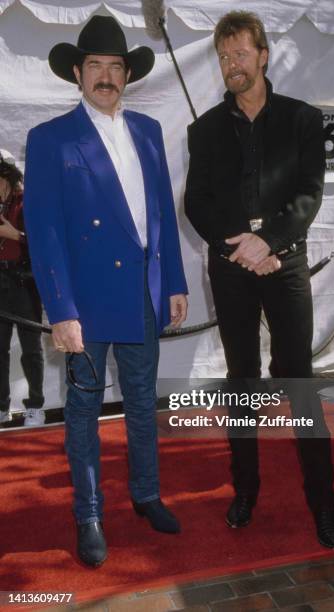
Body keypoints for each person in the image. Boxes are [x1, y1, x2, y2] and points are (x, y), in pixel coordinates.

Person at [24, 15, 188, 567]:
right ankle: (89, 512)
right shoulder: (49, 139)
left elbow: (162, 211)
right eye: (95, 65)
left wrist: (175, 284)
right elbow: (44, 234)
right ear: (77, 72)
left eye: (115, 67)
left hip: (142, 295)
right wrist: (61, 310)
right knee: (83, 411)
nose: (106, 76)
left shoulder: (148, 130)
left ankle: (146, 494)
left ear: (127, 74)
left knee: (143, 405)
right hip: (86, 307)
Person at [185, 10, 334, 548]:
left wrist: (269, 243)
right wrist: (244, 248)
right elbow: (197, 202)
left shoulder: (302, 119)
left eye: (240, 53)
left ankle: (324, 503)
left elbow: (308, 194)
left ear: (263, 54)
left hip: (286, 265)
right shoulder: (203, 129)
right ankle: (245, 489)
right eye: (224, 56)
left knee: (298, 379)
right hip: (232, 268)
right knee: (242, 380)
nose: (231, 64)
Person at [0, 150, 45, 427]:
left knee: (31, 348)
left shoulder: (27, 201)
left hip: (24, 281)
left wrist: (13, 234)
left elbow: (43, 245)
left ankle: (36, 406)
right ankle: (1, 406)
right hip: (0, 281)